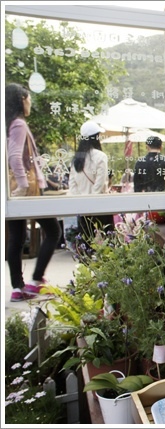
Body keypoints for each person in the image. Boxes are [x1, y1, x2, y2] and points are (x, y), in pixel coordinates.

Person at [5, 83, 62, 302]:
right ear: (21, 100)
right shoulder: (19, 124)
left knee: (17, 238)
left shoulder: (9, 123)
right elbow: (14, 156)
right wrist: (23, 184)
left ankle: (17, 287)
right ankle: (37, 279)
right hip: (27, 191)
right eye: (28, 98)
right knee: (53, 230)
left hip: (14, 189)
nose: (30, 102)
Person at [68, 120, 113, 251]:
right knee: (109, 241)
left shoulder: (76, 159)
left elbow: (72, 185)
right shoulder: (100, 156)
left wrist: (82, 201)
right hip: (101, 205)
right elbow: (100, 183)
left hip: (83, 208)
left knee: (86, 243)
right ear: (96, 137)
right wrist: (93, 200)